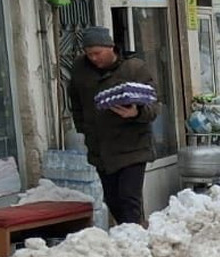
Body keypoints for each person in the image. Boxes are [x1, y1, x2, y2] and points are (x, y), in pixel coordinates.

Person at [66, 26, 158, 227]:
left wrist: (136, 113)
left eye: (97, 53)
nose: (93, 58)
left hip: (132, 147)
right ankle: (131, 232)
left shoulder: (134, 68)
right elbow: (75, 101)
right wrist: (83, 128)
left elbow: (153, 105)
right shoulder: (81, 69)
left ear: (110, 47)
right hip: (101, 149)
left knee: (128, 198)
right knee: (113, 200)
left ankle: (133, 236)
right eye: (89, 54)